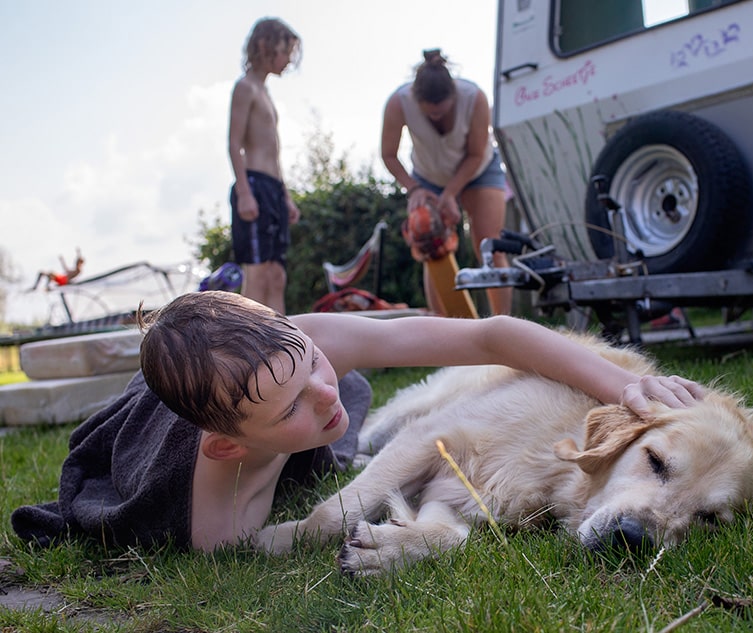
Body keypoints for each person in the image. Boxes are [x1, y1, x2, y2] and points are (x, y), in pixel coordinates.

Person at [12, 291, 704, 553]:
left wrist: (625, 384)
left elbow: (491, 335)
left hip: (260, 393)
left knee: (326, 392)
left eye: (315, 364)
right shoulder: (214, 524)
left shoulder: (309, 351)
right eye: (293, 406)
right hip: (190, 445)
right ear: (232, 442)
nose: (326, 393)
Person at [381, 49, 512, 316]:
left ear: (453, 96)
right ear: (417, 100)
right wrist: (414, 188)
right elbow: (388, 154)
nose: (436, 118)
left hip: (479, 170)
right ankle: (443, 328)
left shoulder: (474, 98)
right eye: (430, 115)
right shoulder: (398, 102)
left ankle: (504, 324)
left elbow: (476, 154)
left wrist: (451, 193)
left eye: (442, 113)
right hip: (427, 178)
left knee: (489, 243)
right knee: (430, 242)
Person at [228, 17, 302, 314]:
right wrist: (245, 192)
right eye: (285, 52)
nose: (288, 60)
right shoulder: (245, 87)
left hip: (273, 188)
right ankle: (247, 355)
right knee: (257, 275)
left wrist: (285, 196)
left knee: (277, 276)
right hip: (254, 185)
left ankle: (284, 351)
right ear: (264, 45)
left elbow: (274, 151)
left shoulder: (266, 92)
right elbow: (234, 143)